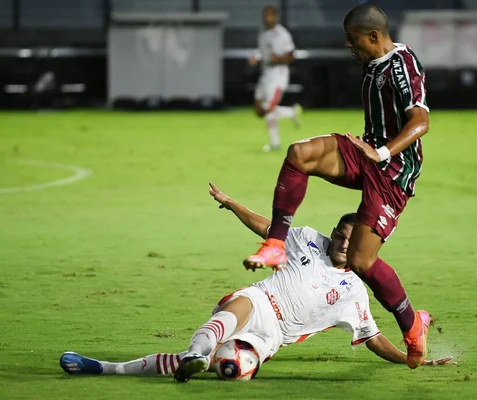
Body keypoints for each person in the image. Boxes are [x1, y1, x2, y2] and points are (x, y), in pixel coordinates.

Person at [59, 183, 456, 382]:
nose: (342, 243)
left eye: (351, 241)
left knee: (231, 368)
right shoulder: (307, 238)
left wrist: (410, 358)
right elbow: (268, 226)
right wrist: (233, 205)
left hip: (273, 337)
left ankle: (196, 359)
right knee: (236, 309)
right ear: (333, 232)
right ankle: (113, 368)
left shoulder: (354, 293)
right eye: (339, 234)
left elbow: (373, 338)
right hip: (263, 300)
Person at [244, 3, 431, 369]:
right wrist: (372, 149)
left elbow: (421, 121)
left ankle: (413, 327)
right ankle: (276, 245)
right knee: (300, 153)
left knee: (361, 261)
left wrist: (382, 153)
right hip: (367, 150)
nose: (350, 46)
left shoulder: (403, 64)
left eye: (353, 40)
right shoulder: (371, 62)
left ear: (375, 36)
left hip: (393, 171)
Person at [248, 5, 302, 152]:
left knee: (268, 109)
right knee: (259, 110)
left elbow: (291, 56)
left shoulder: (282, 34)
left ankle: (275, 143)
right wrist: (256, 57)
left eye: (269, 15)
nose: (266, 18)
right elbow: (262, 52)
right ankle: (291, 112)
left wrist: (279, 58)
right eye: (265, 15)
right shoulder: (263, 34)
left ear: (276, 17)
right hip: (265, 75)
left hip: (278, 75)